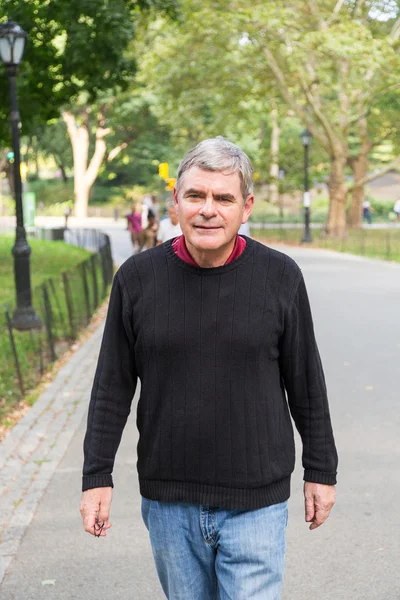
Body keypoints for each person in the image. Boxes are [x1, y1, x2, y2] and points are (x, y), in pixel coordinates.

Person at [80, 136, 338, 600]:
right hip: (169, 502)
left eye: (224, 198)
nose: (208, 210)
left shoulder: (280, 277)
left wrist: (321, 469)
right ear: (175, 201)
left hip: (256, 501)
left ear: (247, 207)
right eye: (195, 195)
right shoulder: (137, 280)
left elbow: (306, 383)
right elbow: (111, 387)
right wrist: (96, 475)